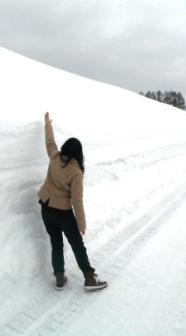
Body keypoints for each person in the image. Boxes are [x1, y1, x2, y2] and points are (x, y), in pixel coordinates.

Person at [38, 112, 107, 291]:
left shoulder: (54, 157)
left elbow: (50, 143)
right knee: (77, 244)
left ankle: (59, 277)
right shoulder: (76, 172)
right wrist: (81, 223)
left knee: (56, 243)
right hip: (63, 213)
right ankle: (89, 278)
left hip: (46, 208)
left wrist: (48, 125)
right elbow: (77, 201)